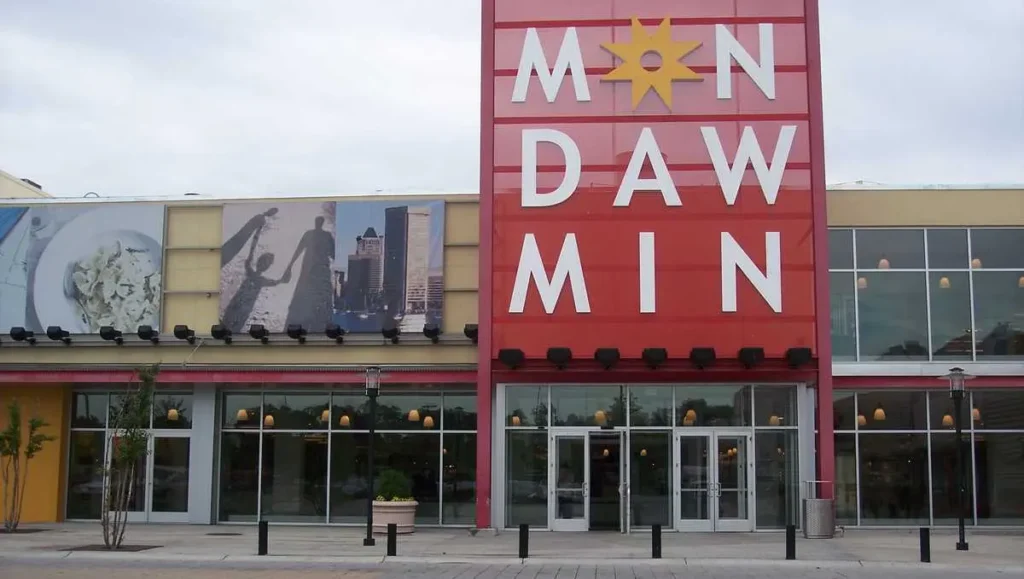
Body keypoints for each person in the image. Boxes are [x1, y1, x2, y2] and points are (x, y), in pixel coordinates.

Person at [221, 228, 285, 331]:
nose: (264, 265)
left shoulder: (259, 278)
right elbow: (251, 252)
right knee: (227, 324)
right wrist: (257, 234)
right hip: (237, 305)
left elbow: (278, 282)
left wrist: (283, 279)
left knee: (233, 328)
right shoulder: (252, 273)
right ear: (259, 262)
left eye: (267, 263)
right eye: (264, 262)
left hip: (243, 309)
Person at [282, 215, 335, 329]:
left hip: (319, 270)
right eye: (318, 222)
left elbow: (333, 253)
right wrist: (290, 266)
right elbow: (299, 249)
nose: (318, 224)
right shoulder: (315, 235)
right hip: (311, 270)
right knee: (308, 296)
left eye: (319, 222)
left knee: (316, 297)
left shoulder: (324, 235)